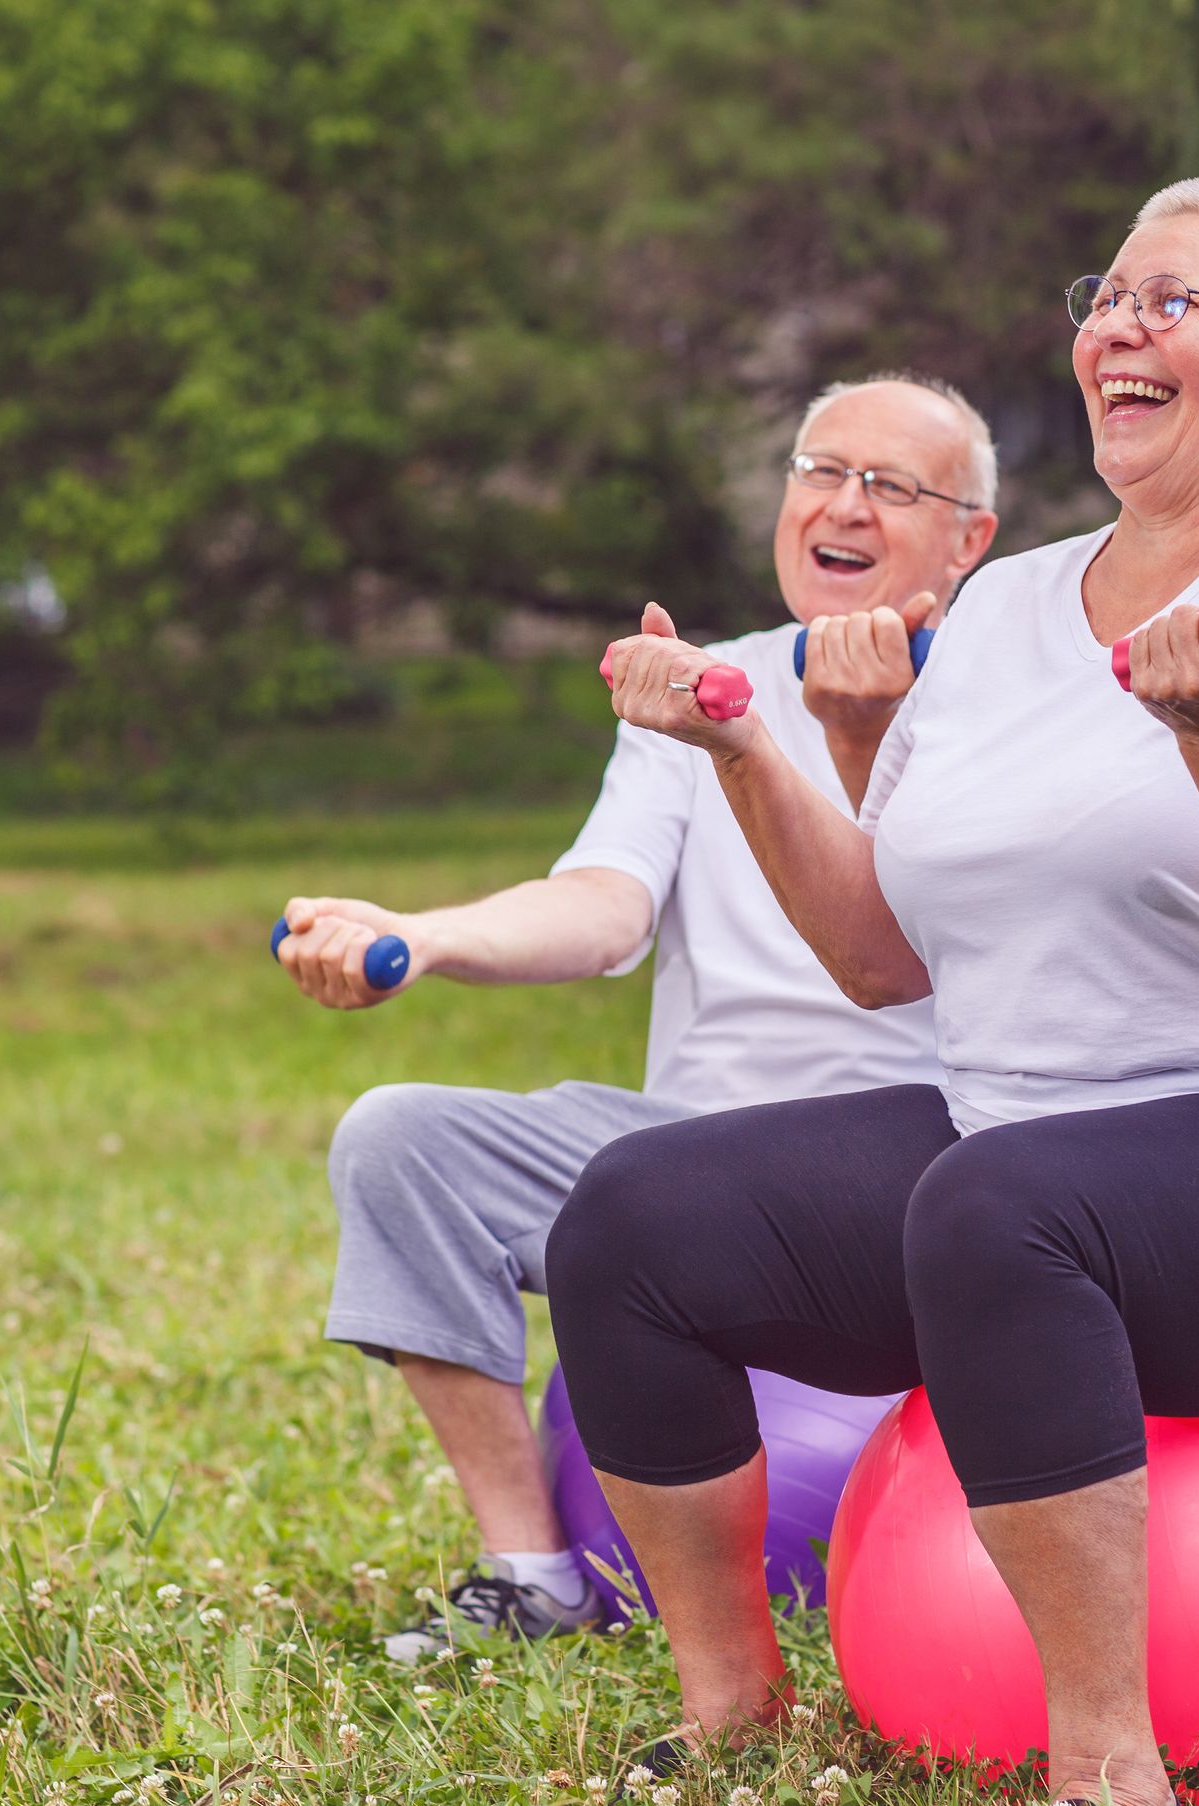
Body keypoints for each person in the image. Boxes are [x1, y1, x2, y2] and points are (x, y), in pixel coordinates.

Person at [557, 178, 1199, 1806]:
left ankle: (1107, 1775)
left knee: (1002, 1204)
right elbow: (883, 955)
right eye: (1106, 297)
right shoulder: (1007, 608)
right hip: (1025, 1159)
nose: (1115, 327)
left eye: (1173, 299)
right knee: (637, 1215)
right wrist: (738, 746)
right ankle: (729, 1708)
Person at [275, 375, 1000, 1660]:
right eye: (819, 470)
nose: (842, 505)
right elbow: (603, 905)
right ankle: (529, 1568)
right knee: (400, 1141)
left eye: (891, 485)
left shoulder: (1007, 701)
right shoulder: (701, 687)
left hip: (911, 1177)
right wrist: (426, 937)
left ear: (968, 538)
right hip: (680, 1158)